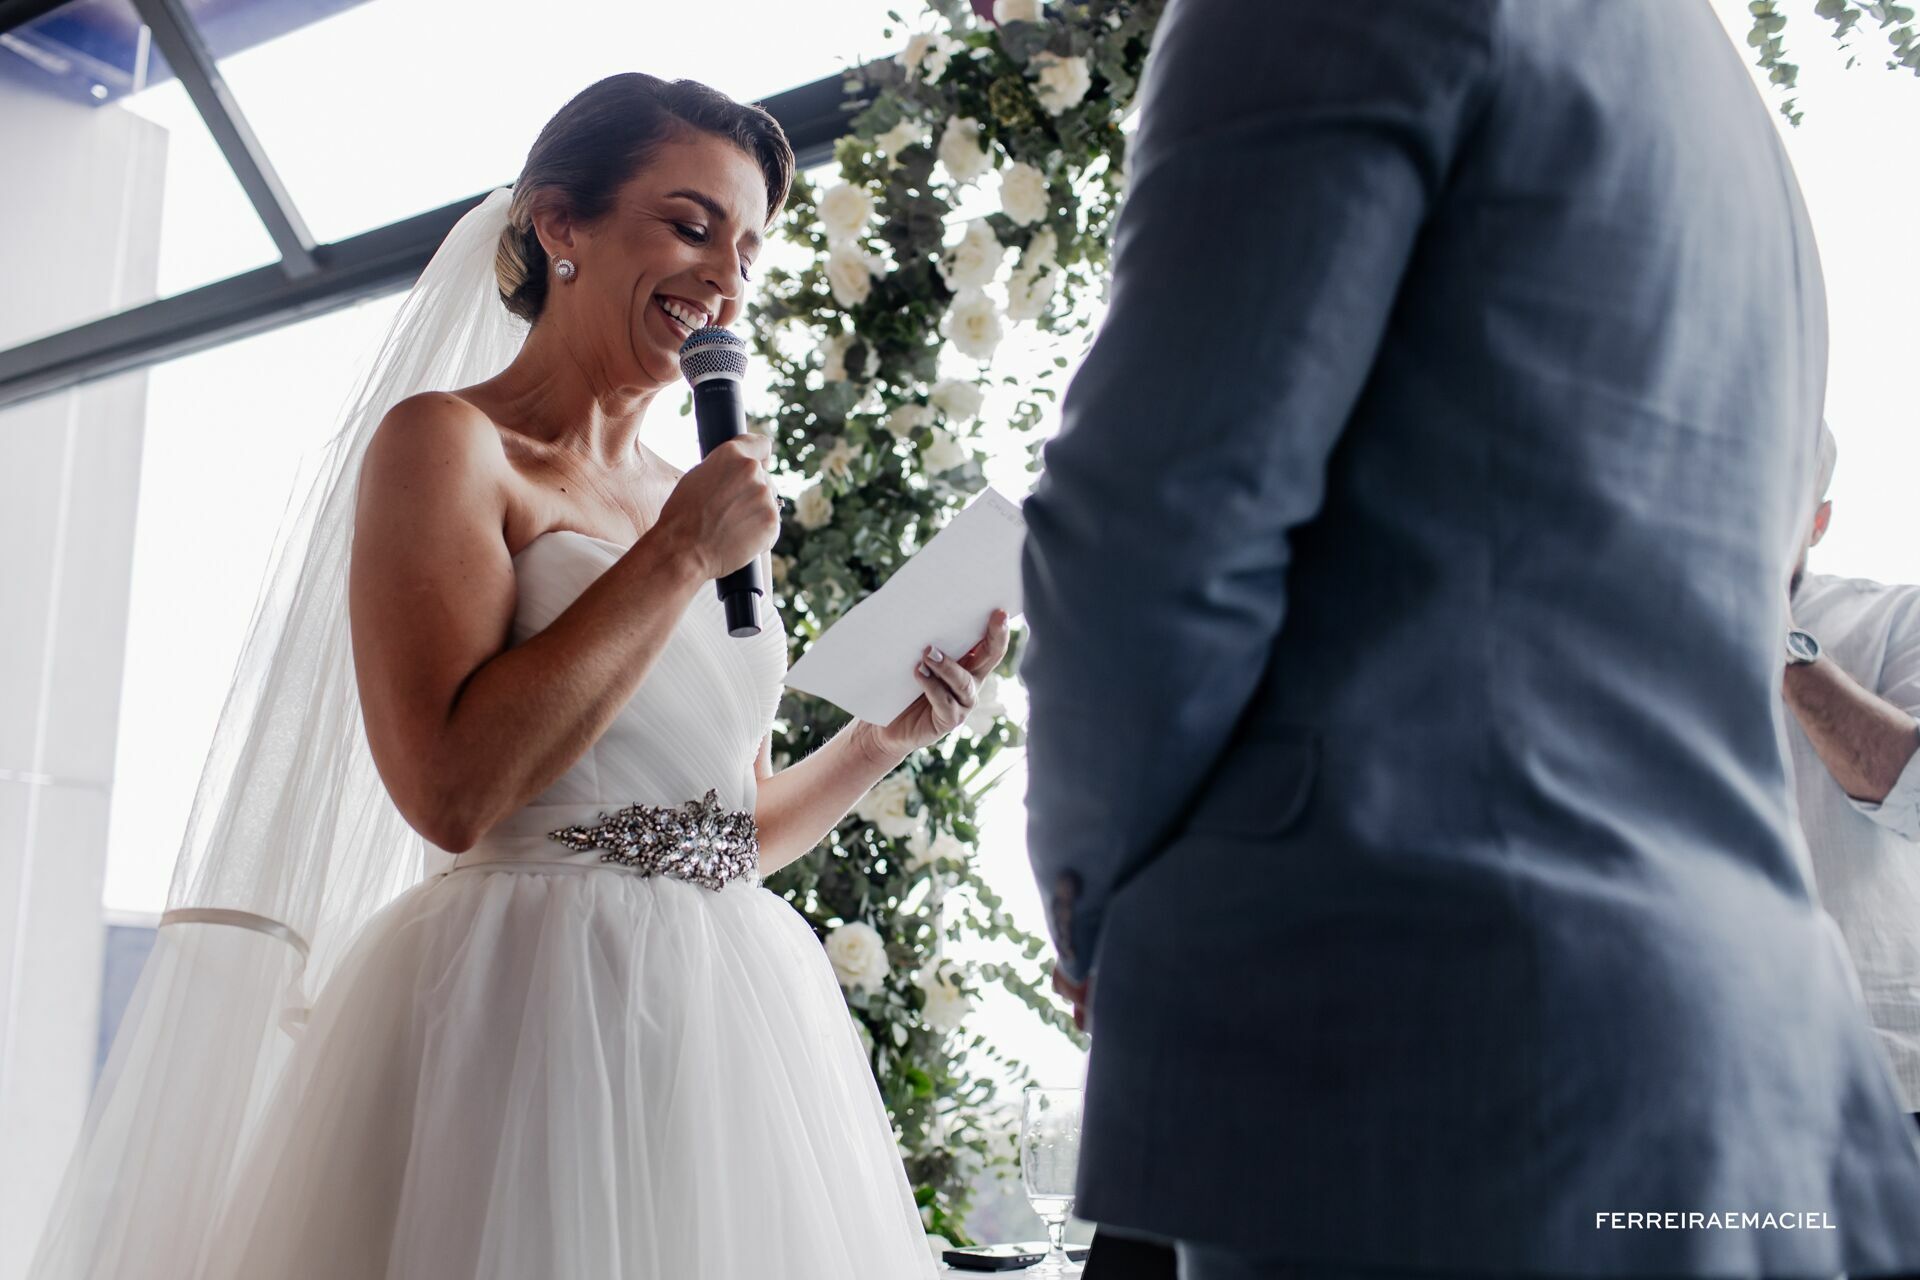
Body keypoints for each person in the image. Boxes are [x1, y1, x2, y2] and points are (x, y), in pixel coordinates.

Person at [30, 74, 1007, 1280]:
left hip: (726, 1030)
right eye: (692, 225)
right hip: (522, 1007)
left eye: (749, 247)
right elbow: (450, 791)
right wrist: (679, 555)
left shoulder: (689, 497)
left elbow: (724, 828)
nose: (726, 279)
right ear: (559, 225)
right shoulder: (450, 444)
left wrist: (877, 740)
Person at [1020, 2, 1920, 1278]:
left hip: (1435, 1039)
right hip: (1744, 1059)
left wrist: (1100, 905)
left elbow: (1155, 512)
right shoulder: (1717, 95)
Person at [1785, 420, 1920, 1128]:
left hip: (1888, 1083)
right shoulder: (1614, 634)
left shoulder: (1898, 616)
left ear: (1819, 520)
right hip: (1680, 1079)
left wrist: (1775, 638)